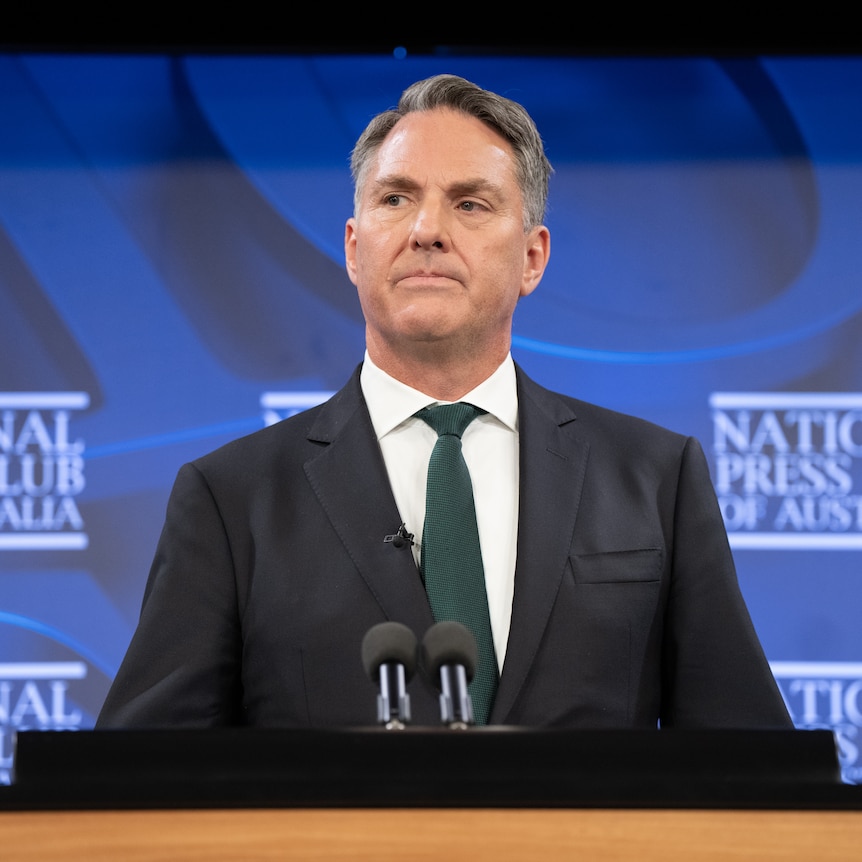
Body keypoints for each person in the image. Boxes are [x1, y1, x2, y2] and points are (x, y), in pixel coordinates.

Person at [97, 74, 792, 730]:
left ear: (532, 258)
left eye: (469, 203)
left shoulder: (656, 479)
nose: (426, 229)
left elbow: (756, 777)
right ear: (353, 248)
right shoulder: (231, 500)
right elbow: (134, 789)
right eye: (395, 198)